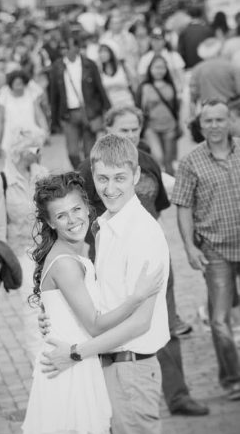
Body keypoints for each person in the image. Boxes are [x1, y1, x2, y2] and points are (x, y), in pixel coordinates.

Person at [0, 171, 163, 434]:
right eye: (61, 215)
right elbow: (94, 323)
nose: (73, 219)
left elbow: (72, 313)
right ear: (49, 222)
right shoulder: (65, 263)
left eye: (76, 210)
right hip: (72, 377)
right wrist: (137, 298)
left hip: (68, 369)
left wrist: (52, 320)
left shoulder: (75, 252)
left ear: (86, 208)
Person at [34, 135, 173, 434]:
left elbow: (139, 321)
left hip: (128, 368)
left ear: (137, 176)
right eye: (102, 179)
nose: (110, 188)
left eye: (119, 178)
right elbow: (91, 297)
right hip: (98, 367)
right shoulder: (104, 225)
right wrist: (55, 314)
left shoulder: (143, 234)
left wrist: (76, 351)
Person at [78, 105, 209, 417]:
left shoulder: (146, 162)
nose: (132, 135)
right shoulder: (89, 170)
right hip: (109, 255)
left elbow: (158, 205)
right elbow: (79, 218)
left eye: (136, 129)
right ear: (107, 129)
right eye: (124, 130)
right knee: (119, 321)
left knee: (166, 323)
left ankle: (177, 395)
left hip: (150, 255)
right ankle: (122, 389)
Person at [172, 99, 240, 401]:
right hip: (215, 250)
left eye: (219, 120)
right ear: (200, 126)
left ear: (230, 122)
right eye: (208, 121)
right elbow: (184, 206)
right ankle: (233, 379)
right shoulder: (190, 162)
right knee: (220, 319)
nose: (214, 126)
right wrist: (189, 247)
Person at [0, 132, 49, 362]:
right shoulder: (1, 181)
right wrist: (3, 263)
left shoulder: (42, 174)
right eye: (36, 149)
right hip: (23, 253)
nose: (40, 153)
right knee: (32, 309)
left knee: (53, 307)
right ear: (21, 152)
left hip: (48, 250)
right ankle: (39, 365)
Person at [48, 34, 111, 170]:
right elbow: (54, 95)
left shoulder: (89, 64)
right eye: (62, 47)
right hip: (69, 114)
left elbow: (100, 88)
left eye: (68, 47)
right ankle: (81, 173)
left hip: (89, 112)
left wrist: (107, 108)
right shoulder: (57, 67)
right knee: (72, 152)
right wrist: (54, 120)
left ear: (76, 47)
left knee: (90, 152)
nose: (64, 50)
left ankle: (88, 178)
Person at [0, 70, 48, 161]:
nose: (19, 86)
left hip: (32, 138)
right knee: (14, 168)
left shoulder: (30, 94)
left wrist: (45, 130)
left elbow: (39, 115)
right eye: (16, 83)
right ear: (11, 84)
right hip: (11, 139)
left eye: (21, 83)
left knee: (35, 166)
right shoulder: (4, 95)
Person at [138, 55, 181, 174]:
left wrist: (179, 124)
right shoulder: (144, 87)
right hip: (152, 127)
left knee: (169, 160)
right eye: (156, 67)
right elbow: (140, 108)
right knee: (158, 157)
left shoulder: (170, 85)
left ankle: (171, 186)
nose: (159, 70)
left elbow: (177, 107)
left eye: (162, 67)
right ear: (150, 69)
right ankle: (160, 182)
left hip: (170, 125)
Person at [96, 41, 136, 108]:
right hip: (112, 108)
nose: (102, 54)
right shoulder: (99, 70)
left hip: (129, 104)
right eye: (100, 51)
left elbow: (135, 86)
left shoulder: (124, 66)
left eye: (105, 51)